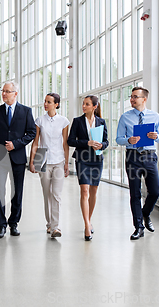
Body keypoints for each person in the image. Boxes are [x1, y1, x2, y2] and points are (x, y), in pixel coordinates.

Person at [0, 81, 37, 239]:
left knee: (17, 192)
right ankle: (1, 225)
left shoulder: (26, 111)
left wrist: (16, 144)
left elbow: (31, 133)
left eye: (7, 91)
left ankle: (13, 223)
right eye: (3, 91)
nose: (4, 94)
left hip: (18, 158)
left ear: (15, 93)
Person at [116, 86, 159, 240]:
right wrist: (128, 140)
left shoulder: (155, 116)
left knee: (155, 191)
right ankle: (138, 227)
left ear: (144, 99)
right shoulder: (125, 117)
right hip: (133, 157)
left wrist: (156, 136)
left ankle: (145, 214)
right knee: (135, 194)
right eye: (131, 97)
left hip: (150, 156)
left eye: (135, 97)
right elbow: (118, 139)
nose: (132, 99)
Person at [67, 95, 108, 241]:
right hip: (82, 159)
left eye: (87, 104)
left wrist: (101, 145)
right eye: (83, 104)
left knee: (93, 191)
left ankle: (89, 221)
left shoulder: (101, 121)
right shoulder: (77, 121)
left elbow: (106, 141)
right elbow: (70, 141)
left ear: (94, 107)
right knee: (84, 191)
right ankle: (86, 226)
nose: (84, 106)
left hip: (97, 160)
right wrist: (87, 143)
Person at [29, 93, 70, 238]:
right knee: (47, 193)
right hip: (42, 158)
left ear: (56, 104)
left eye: (49, 102)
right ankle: (49, 224)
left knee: (57, 194)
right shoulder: (39, 120)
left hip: (58, 160)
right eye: (45, 101)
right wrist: (32, 161)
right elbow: (36, 142)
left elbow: (65, 144)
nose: (45, 104)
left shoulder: (64, 121)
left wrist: (66, 163)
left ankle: (55, 227)